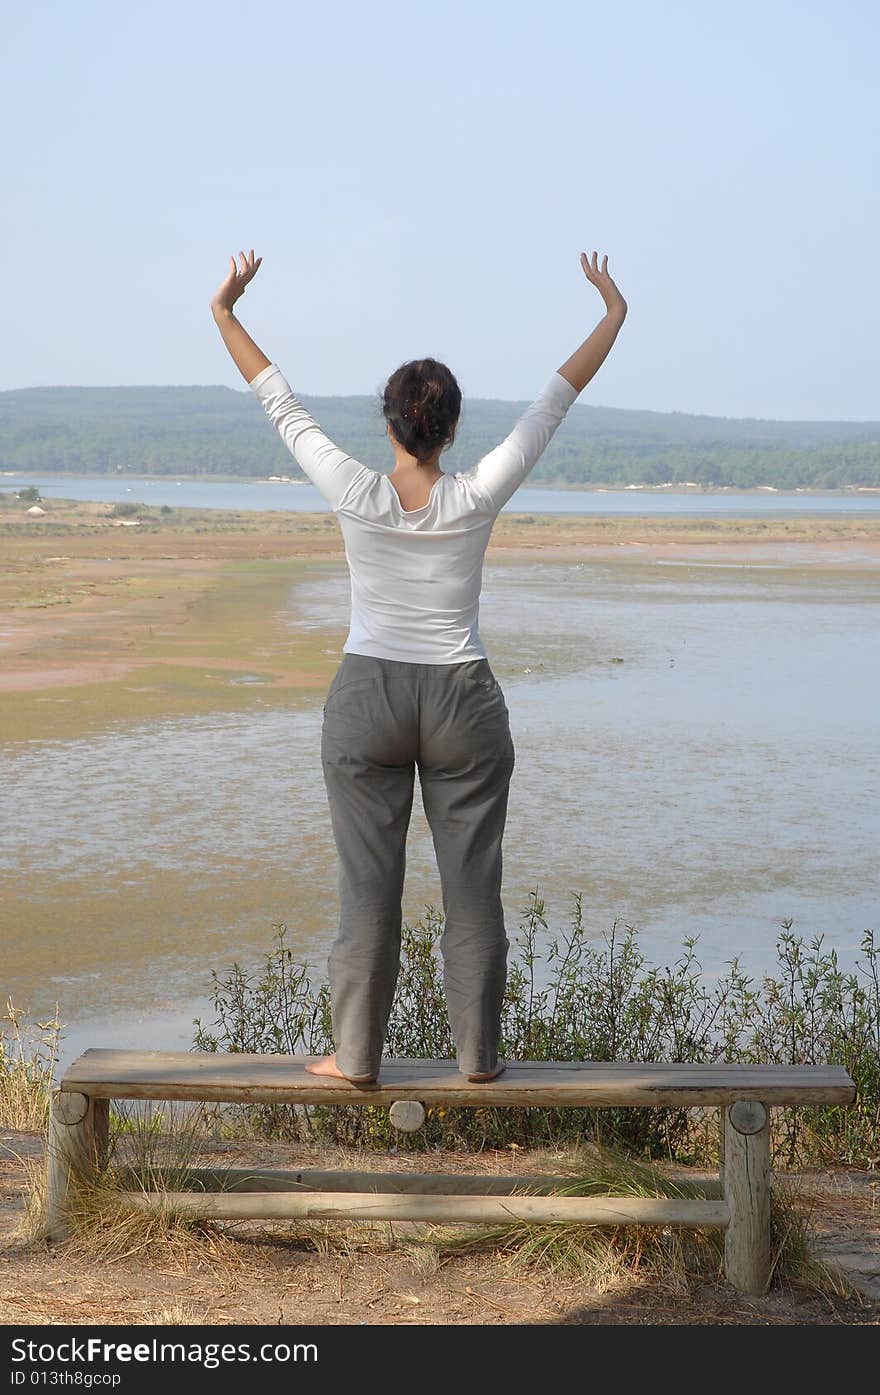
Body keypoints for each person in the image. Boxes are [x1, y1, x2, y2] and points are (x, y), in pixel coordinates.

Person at [211, 247, 627, 1084]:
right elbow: (554, 402)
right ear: (450, 429)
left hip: (368, 692)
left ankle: (357, 1057)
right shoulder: (474, 495)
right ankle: (478, 1059)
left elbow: (280, 403)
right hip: (463, 699)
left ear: (390, 424)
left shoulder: (355, 491)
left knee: (367, 887)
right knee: (473, 891)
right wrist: (611, 313)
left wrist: (227, 311)